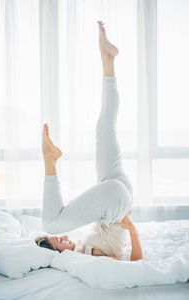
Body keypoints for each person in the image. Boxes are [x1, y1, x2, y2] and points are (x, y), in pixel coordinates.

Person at [36, 21, 143, 261]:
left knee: (105, 127)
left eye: (60, 237)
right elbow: (135, 263)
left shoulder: (82, 246)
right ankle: (50, 161)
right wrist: (134, 231)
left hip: (118, 192)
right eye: (61, 242)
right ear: (58, 254)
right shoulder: (87, 256)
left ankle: (108, 61)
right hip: (117, 203)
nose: (66, 237)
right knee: (51, 222)